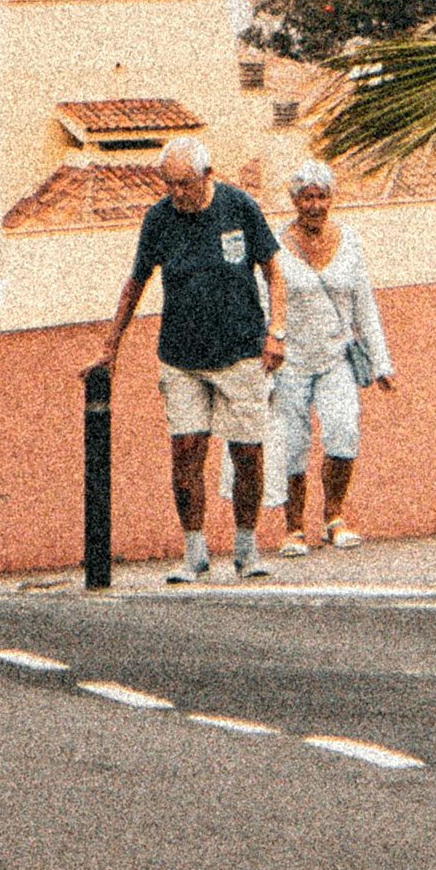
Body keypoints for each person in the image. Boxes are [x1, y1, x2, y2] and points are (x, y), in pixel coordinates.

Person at [101, 128, 281, 582]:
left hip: (241, 350)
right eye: (170, 184)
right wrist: (111, 347)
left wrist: (276, 332)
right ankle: (194, 549)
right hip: (180, 354)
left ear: (207, 175)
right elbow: (135, 282)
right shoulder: (158, 219)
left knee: (247, 453)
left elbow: (275, 271)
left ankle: (246, 547)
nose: (178, 192)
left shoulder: (239, 207)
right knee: (186, 451)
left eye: (185, 183)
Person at [265, 160, 394, 551]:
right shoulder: (276, 245)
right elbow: (265, 300)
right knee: (292, 443)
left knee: (344, 430)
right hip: (291, 362)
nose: (315, 205)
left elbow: (364, 306)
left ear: (332, 199)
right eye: (307, 197)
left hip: (335, 356)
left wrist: (381, 362)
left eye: (322, 197)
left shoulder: (350, 241)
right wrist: (269, 347)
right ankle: (293, 528)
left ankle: (334, 517)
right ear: (294, 201)